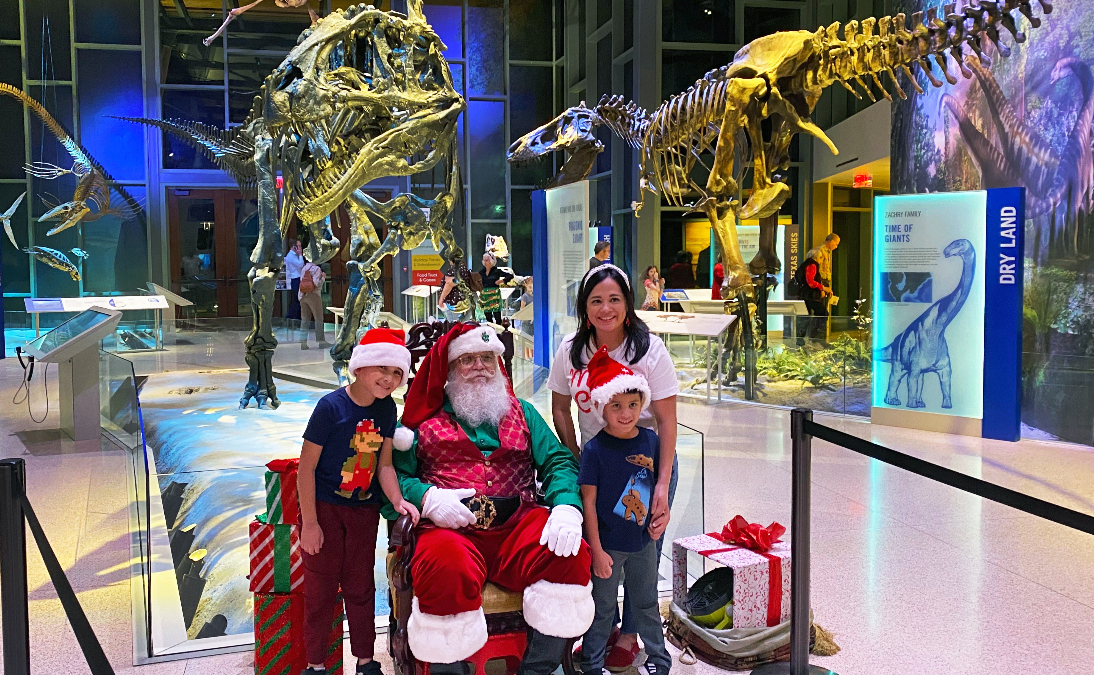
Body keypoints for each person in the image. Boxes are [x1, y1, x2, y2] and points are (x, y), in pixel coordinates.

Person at [388, 323, 594, 675]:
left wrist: (564, 507)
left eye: (487, 357)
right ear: (449, 370)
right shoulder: (420, 421)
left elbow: (558, 460)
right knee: (444, 567)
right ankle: (448, 669)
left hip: (517, 524)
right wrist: (429, 498)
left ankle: (538, 668)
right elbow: (395, 476)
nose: (480, 366)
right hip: (450, 528)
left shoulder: (523, 412)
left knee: (570, 553)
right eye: (467, 359)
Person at [546, 264, 679, 670]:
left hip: (644, 467)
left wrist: (661, 485)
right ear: (585, 308)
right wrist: (575, 456)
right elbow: (559, 405)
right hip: (599, 465)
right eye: (596, 301)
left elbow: (667, 420)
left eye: (615, 299)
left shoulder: (648, 349)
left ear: (628, 303)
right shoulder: (572, 348)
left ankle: (633, 632)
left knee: (642, 547)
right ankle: (602, 626)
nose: (606, 309)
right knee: (600, 547)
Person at [298, 328, 415, 675]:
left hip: (363, 512)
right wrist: (310, 523)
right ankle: (315, 664)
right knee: (319, 590)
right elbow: (306, 469)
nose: (389, 378)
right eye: (382, 368)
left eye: (397, 372)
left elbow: (385, 465)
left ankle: (366, 660)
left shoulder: (387, 411)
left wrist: (397, 500)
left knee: (361, 586)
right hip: (325, 510)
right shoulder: (330, 408)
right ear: (360, 367)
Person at [578, 346, 670, 675]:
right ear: (602, 407)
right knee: (602, 608)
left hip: (643, 542)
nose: (625, 413)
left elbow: (656, 491)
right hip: (608, 546)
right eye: (616, 406)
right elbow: (588, 502)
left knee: (646, 605)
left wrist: (658, 522)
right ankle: (591, 665)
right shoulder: (594, 450)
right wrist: (597, 550)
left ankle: (660, 661)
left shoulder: (650, 441)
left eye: (633, 405)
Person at [797, 247, 830, 340]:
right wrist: (823, 288)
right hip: (809, 295)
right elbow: (811, 282)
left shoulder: (805, 264)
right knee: (822, 313)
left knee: (806, 316)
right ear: (816, 257)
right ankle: (815, 337)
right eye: (821, 258)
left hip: (805, 295)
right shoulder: (812, 265)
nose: (822, 260)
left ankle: (803, 339)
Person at [299, 259, 328, 349]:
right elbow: (316, 283)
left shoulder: (304, 268)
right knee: (318, 319)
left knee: (305, 320)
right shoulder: (316, 269)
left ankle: (303, 343)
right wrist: (323, 277)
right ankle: (321, 342)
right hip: (313, 295)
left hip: (302, 296)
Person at [479, 252, 514, 324]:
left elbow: (510, 275)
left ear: (491, 261)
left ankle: (499, 331)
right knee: (487, 315)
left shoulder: (496, 271)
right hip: (485, 295)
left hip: (494, 295)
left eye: (487, 260)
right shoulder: (482, 272)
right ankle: (490, 331)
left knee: (497, 315)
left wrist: (502, 281)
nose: (485, 262)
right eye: (484, 260)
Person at [285, 239, 305, 322]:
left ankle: (297, 318)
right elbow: (300, 264)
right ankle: (290, 317)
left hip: (298, 278)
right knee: (297, 300)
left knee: (299, 299)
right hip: (295, 279)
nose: (300, 248)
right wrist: (300, 255)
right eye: (299, 246)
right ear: (294, 247)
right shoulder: (291, 256)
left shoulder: (294, 255)